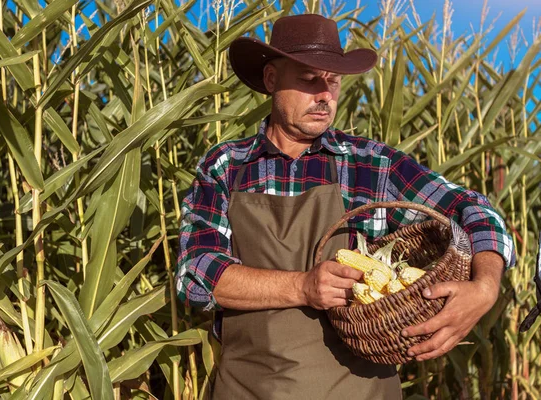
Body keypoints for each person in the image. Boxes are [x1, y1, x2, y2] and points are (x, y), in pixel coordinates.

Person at [176, 14, 515, 400]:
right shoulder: (226, 166)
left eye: (333, 81)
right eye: (308, 79)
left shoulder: (371, 165)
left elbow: (473, 210)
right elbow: (197, 273)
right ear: (271, 79)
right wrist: (302, 287)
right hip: (250, 390)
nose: (324, 95)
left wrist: (484, 288)